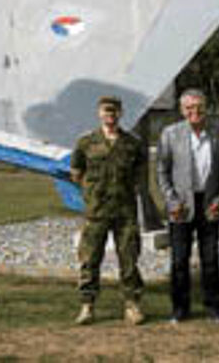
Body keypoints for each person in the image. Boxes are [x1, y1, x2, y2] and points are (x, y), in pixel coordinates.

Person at [156, 88, 219, 323]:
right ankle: (180, 309)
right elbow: (162, 171)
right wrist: (172, 201)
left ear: (206, 108)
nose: (195, 111)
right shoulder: (170, 134)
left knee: (210, 260)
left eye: (199, 107)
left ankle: (213, 308)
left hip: (209, 204)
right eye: (189, 107)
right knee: (179, 261)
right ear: (182, 110)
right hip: (181, 206)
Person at [70, 95, 147, 326]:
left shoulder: (132, 144)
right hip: (97, 211)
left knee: (129, 259)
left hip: (125, 211)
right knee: (90, 259)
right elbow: (76, 173)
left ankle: (132, 305)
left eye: (114, 111)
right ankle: (87, 305)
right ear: (99, 113)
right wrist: (92, 193)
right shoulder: (86, 142)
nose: (110, 116)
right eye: (106, 111)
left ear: (120, 114)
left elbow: (140, 174)